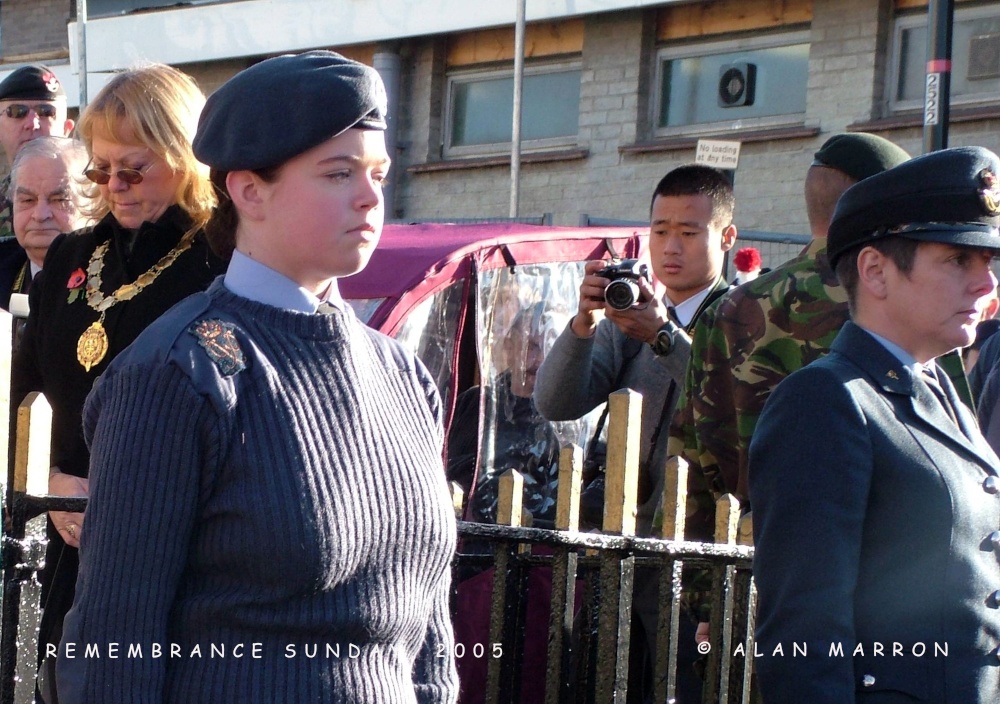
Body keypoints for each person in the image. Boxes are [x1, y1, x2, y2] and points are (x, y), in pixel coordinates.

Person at [57, 51, 459, 704]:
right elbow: (113, 642)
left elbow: (427, 629)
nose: (369, 196)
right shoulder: (177, 372)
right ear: (249, 190)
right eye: (338, 173)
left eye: (378, 173)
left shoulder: (403, 376)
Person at [750, 146, 1000, 703]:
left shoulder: (942, 392)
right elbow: (804, 636)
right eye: (959, 260)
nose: (985, 285)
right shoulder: (828, 401)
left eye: (989, 263)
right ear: (875, 270)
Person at [11, 63, 226, 701]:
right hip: (67, 549)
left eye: (133, 170)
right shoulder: (72, 258)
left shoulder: (224, 258)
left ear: (184, 156)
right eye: (101, 172)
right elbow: (23, 401)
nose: (115, 187)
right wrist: (48, 480)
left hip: (180, 554)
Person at [534, 164, 737, 703]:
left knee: (693, 690)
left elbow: (733, 408)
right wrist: (583, 325)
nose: (671, 247)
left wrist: (666, 338)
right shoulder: (631, 319)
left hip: (699, 560)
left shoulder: (744, 318)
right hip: (625, 550)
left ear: (727, 237)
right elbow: (555, 402)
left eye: (689, 233)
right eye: (660, 230)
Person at [668, 133, 911, 505]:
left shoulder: (730, 309)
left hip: (743, 548)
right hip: (869, 550)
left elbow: (689, 465)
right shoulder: (901, 305)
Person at [0, 64, 76, 239]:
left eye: (46, 112)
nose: (32, 123)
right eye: (17, 112)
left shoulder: (94, 201)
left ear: (67, 129)